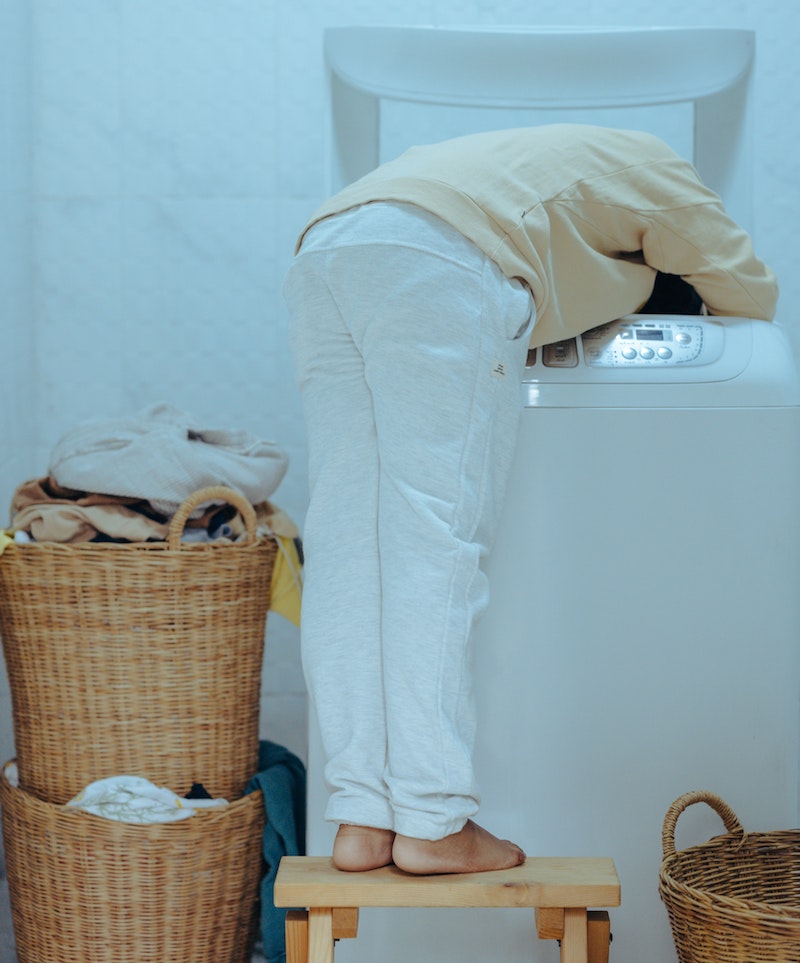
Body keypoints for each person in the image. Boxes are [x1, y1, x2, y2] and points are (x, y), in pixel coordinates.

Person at [283, 123, 778, 875]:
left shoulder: (534, 160)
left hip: (329, 246)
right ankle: (433, 819)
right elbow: (744, 288)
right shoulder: (657, 163)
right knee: (434, 543)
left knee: (349, 546)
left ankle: (361, 815)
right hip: (441, 258)